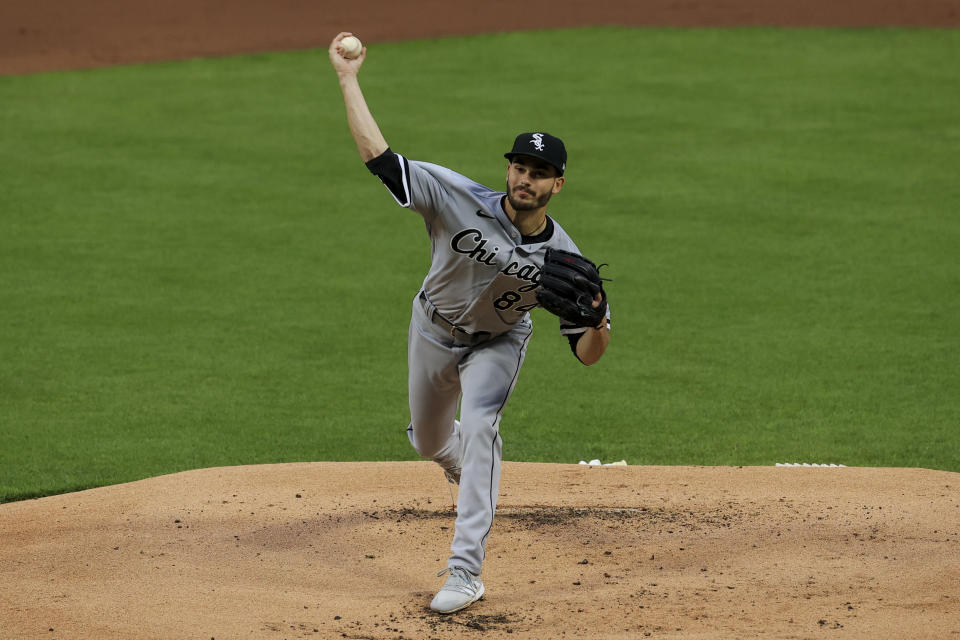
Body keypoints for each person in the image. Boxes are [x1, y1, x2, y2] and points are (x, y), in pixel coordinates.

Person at [328, 32, 611, 614]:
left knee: (481, 425)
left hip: (499, 343)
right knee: (429, 440)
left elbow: (588, 353)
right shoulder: (454, 195)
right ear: (507, 169)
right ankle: (457, 463)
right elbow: (381, 159)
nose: (525, 178)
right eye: (519, 166)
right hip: (431, 328)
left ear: (558, 183)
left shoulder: (567, 261)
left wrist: (599, 316)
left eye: (540, 171)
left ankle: (465, 571)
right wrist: (348, 79)